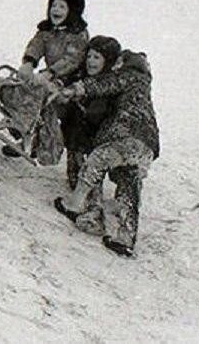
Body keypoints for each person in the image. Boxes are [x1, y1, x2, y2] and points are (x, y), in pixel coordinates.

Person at [52, 48, 161, 258]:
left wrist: (74, 89)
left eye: (119, 63)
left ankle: (73, 205)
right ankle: (125, 237)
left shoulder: (131, 76)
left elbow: (105, 83)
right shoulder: (142, 89)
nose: (115, 67)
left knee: (97, 159)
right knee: (129, 181)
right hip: (147, 145)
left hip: (128, 135)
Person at [0, 0, 89, 157]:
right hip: (48, 77)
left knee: (39, 94)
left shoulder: (78, 36)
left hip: (68, 83)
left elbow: (71, 60)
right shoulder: (47, 30)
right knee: (24, 85)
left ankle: (26, 132)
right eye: (54, 5)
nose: (56, 10)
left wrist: (51, 72)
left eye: (62, 7)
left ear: (72, 11)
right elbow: (36, 45)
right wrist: (29, 62)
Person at [55, 35, 124, 236]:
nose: (91, 61)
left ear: (108, 61)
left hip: (95, 141)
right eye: (90, 56)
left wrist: (81, 104)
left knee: (90, 176)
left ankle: (95, 214)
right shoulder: (83, 77)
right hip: (76, 138)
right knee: (74, 179)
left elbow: (101, 113)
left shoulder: (108, 85)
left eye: (97, 58)